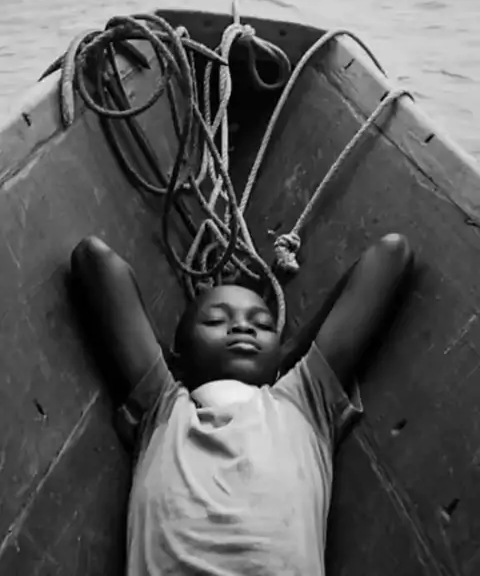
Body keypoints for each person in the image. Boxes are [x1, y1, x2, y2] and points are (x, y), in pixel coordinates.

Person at [71, 232, 412, 575]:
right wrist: (166, 360)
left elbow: (391, 254)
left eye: (262, 325)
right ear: (179, 359)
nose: (243, 327)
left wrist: (289, 355)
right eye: (216, 320)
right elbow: (94, 261)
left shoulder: (305, 400)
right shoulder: (163, 407)